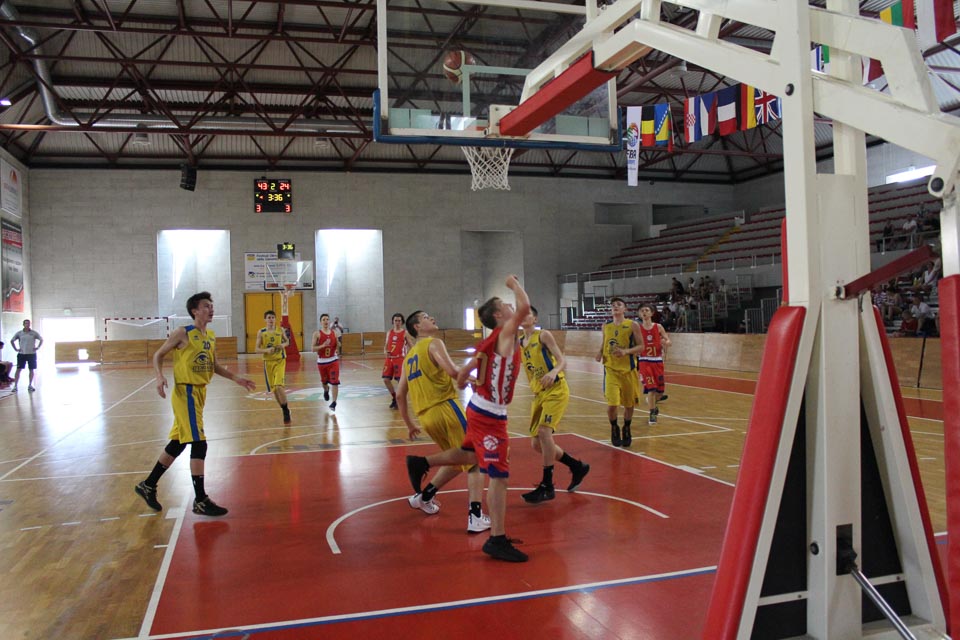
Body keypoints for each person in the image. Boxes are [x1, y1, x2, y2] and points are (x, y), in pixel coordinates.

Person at [408, 275, 530, 562]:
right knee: (498, 475)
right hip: (490, 415)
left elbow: (464, 373)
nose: (512, 307)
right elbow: (525, 308)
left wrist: (466, 381)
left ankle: (422, 463)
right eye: (506, 306)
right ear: (498, 316)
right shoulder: (503, 335)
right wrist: (513, 284)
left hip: (476, 408)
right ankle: (496, 538)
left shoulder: (489, 341)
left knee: (470, 454)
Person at [134, 292, 256, 516]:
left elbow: (213, 366)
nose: (211, 309)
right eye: (206, 306)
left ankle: (148, 485)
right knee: (199, 444)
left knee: (178, 443)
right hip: (185, 392)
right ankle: (200, 500)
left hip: (200, 393)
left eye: (212, 305)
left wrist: (236, 379)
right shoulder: (183, 332)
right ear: (195, 311)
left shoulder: (210, 336)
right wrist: (159, 377)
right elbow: (158, 355)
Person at [397, 310, 490, 534]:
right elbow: (452, 370)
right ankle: (475, 516)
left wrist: (410, 424)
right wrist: (475, 380)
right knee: (477, 457)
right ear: (417, 327)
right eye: (426, 317)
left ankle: (424, 496)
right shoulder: (434, 343)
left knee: (459, 458)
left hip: (426, 418)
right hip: (445, 408)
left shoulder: (408, 358)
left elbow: (400, 395)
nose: (432, 318)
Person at [518, 305, 590, 503]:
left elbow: (561, 360)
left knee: (544, 432)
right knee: (536, 444)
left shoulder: (543, 335)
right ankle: (576, 466)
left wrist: (553, 371)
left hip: (556, 389)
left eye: (527, 314)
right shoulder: (521, 342)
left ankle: (547, 485)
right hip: (539, 393)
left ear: (535, 319)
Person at [595, 297, 641, 447]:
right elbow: (605, 341)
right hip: (611, 370)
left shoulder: (632, 325)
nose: (615, 306)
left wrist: (626, 351)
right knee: (612, 405)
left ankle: (626, 427)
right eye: (613, 305)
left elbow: (641, 346)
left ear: (625, 309)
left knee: (629, 405)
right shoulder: (606, 326)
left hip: (628, 371)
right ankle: (614, 427)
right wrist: (600, 351)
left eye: (619, 305)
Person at [618, 303, 672, 426]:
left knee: (659, 392)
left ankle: (652, 402)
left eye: (647, 310)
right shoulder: (637, 328)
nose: (644, 312)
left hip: (657, 361)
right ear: (639, 314)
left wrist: (666, 342)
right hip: (644, 361)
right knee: (651, 389)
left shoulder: (658, 327)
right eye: (642, 311)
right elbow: (632, 343)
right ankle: (652, 413)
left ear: (652, 313)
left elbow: (668, 340)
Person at [256, 310, 291, 425]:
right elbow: (256, 349)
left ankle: (286, 410)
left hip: (280, 360)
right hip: (268, 362)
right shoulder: (261, 332)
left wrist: (282, 345)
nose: (271, 319)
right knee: (274, 390)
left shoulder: (280, 330)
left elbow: (287, 342)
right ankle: (283, 408)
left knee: (279, 386)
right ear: (265, 320)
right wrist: (266, 350)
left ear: (275, 319)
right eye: (269, 317)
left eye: (272, 317)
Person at [382, 313, 412, 409]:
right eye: (395, 320)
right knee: (386, 379)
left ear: (402, 322)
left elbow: (412, 346)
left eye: (399, 320)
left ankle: (401, 399)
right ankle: (395, 398)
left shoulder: (405, 333)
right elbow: (386, 345)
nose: (397, 322)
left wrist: (409, 356)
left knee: (400, 381)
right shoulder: (389, 332)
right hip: (390, 358)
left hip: (400, 359)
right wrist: (385, 351)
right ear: (393, 321)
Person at [312, 313, 340, 411]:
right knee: (324, 382)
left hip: (333, 360)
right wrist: (322, 346)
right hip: (322, 362)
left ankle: (334, 402)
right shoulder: (317, 334)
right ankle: (326, 389)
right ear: (321, 322)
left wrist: (338, 347)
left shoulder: (334, 333)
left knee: (335, 382)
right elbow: (313, 348)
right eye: (323, 319)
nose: (326, 321)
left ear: (329, 321)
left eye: (327, 319)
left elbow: (337, 345)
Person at [11, 319, 43, 392]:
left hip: (31, 354)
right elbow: (12, 340)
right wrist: (16, 349)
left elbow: (41, 339)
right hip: (22, 354)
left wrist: (38, 347)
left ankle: (30, 385)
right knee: (18, 369)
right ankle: (15, 386)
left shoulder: (33, 333)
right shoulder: (19, 333)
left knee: (31, 369)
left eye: (28, 323)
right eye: (26, 323)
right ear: (23, 324)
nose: (27, 324)